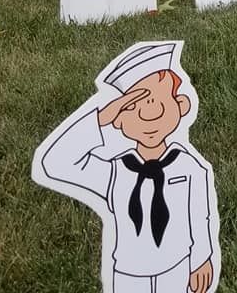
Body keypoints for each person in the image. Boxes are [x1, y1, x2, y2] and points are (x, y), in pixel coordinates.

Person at [34, 41, 219, 293]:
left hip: (177, 266)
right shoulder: (116, 171)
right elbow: (55, 163)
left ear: (181, 105)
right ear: (119, 120)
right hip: (129, 274)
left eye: (158, 101)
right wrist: (100, 119)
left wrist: (201, 258)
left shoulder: (189, 167)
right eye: (134, 107)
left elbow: (200, 214)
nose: (149, 115)